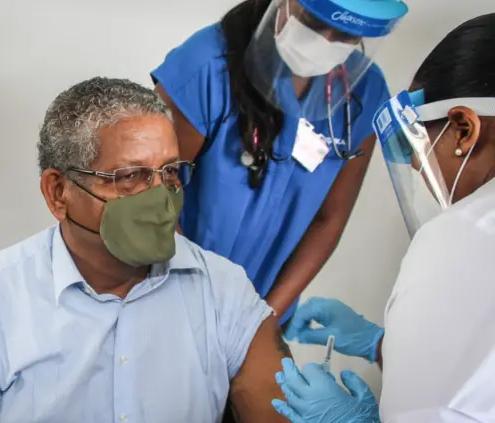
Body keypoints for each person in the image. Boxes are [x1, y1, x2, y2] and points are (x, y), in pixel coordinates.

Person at [0, 77, 293, 423]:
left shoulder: (222, 291)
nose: (161, 199)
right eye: (130, 177)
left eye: (170, 173)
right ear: (58, 192)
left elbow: (277, 410)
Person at [273, 13, 495, 423]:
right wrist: (381, 345)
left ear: (463, 129)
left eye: (418, 150)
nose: (418, 169)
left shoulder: (460, 237)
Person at [151, 0, 409, 327]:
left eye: (346, 36)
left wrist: (264, 321)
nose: (326, 42)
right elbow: (151, 194)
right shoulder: (205, 65)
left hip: (265, 308)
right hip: (171, 293)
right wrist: (193, 305)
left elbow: (329, 220)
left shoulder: (363, 92)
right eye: (314, 23)